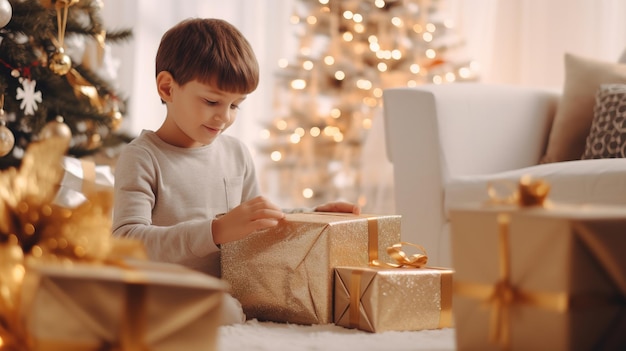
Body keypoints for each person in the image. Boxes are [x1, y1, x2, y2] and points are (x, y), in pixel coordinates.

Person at [111, 18, 359, 324]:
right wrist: (215, 232)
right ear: (167, 87)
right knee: (226, 311)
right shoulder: (142, 157)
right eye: (212, 101)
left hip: (229, 289)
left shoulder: (236, 153)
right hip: (161, 290)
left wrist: (313, 216)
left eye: (235, 105)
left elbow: (254, 223)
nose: (224, 117)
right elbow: (126, 241)